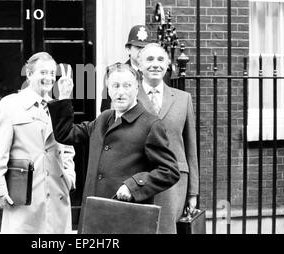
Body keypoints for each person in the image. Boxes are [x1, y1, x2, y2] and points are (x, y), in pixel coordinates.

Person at [48, 62, 180, 232]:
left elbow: (169, 171)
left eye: (127, 86)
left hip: (126, 218)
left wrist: (134, 186)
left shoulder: (151, 124)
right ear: (108, 89)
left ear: (136, 88)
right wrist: (64, 98)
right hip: (94, 214)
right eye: (115, 86)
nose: (121, 92)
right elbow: (66, 134)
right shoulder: (104, 118)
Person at [0, 52, 76, 234]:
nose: (49, 78)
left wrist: (69, 176)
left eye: (52, 73)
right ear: (29, 74)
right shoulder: (10, 105)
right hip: (24, 194)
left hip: (57, 192)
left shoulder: (58, 107)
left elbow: (67, 146)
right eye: (43, 73)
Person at [137, 43, 199, 234]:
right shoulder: (129, 96)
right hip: (139, 178)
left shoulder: (183, 98)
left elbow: (190, 146)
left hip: (174, 182)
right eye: (149, 59)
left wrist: (193, 192)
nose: (155, 64)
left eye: (160, 59)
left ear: (168, 65)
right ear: (139, 66)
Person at [100, 25, 152, 112]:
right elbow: (106, 109)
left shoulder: (155, 74)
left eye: (144, 48)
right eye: (138, 47)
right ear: (128, 49)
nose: (141, 52)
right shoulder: (114, 73)